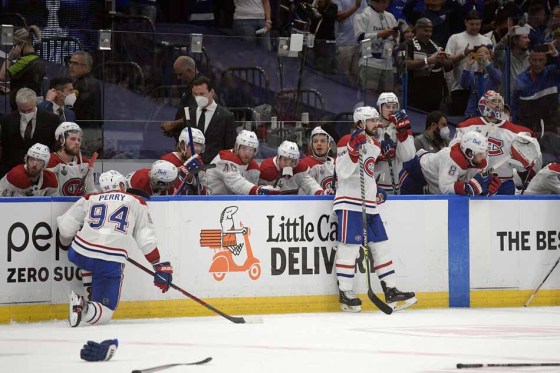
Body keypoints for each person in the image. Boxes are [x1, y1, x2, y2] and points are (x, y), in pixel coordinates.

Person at [57, 170, 173, 327]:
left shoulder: (90, 198)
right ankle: (83, 306)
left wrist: (80, 237)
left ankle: (91, 291)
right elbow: (145, 237)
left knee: (91, 259)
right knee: (105, 312)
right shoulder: (136, 201)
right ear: (120, 185)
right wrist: (157, 264)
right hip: (109, 260)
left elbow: (65, 228)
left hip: (79, 253)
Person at [333, 106, 416, 313]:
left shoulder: (375, 144)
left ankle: (391, 290)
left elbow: (366, 173)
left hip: (369, 204)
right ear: (361, 123)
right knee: (349, 248)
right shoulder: (346, 140)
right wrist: (352, 150)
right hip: (349, 202)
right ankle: (345, 293)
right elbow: (342, 173)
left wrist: (376, 190)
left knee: (381, 246)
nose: (377, 124)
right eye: (372, 121)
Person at [452, 90, 538, 195]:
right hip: (474, 182)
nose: (497, 105)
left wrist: (524, 162)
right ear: (484, 103)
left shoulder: (516, 132)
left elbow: (527, 166)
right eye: (493, 102)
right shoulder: (466, 127)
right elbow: (454, 155)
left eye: (499, 102)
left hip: (504, 183)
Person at [400, 131, 502, 195]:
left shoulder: (478, 159)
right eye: (480, 153)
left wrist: (486, 189)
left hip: (433, 184)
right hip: (415, 175)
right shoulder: (452, 158)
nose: (483, 156)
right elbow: (446, 188)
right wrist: (466, 188)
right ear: (469, 152)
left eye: (484, 152)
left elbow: (473, 184)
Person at [0, 88, 59, 178]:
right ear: (17, 105)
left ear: (36, 102)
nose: (26, 113)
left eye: (29, 110)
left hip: (41, 169)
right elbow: (5, 147)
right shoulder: (7, 120)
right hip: (13, 170)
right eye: (22, 111)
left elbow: (54, 145)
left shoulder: (51, 119)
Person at [445, 10, 493, 116]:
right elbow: (447, 60)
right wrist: (463, 54)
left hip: (481, 87)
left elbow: (492, 62)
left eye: (478, 24)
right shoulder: (455, 38)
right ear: (465, 22)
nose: (475, 27)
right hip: (460, 88)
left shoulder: (487, 40)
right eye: (472, 24)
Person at [182, 76, 236, 164]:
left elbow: (230, 148)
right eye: (195, 94)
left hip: (216, 168)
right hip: (191, 166)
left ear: (212, 92)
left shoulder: (226, 116)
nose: (198, 98)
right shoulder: (189, 114)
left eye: (202, 94)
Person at [206, 130, 278, 195]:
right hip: (211, 202)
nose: (247, 153)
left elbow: (250, 193)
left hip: (232, 203)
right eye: (244, 148)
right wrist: (258, 190)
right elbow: (237, 184)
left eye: (251, 150)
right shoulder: (224, 159)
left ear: (255, 152)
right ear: (237, 147)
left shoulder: (253, 167)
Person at [404, 18, 453, 112]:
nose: (429, 34)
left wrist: (442, 61)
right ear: (417, 29)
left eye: (430, 31)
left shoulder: (436, 45)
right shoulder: (408, 44)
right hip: (416, 93)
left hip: (436, 94)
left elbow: (450, 65)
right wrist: (427, 60)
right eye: (425, 31)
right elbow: (405, 64)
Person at [512, 43, 560, 134]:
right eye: (534, 60)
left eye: (541, 60)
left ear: (545, 60)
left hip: (551, 128)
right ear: (529, 60)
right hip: (528, 128)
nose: (537, 63)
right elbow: (515, 106)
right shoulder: (521, 79)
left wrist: (555, 55)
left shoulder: (552, 73)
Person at [353, 0, 399, 95]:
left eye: (387, 3)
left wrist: (395, 36)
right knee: (369, 95)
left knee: (387, 97)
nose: (385, 5)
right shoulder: (363, 15)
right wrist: (380, 34)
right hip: (370, 62)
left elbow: (397, 38)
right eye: (383, 2)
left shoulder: (390, 17)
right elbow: (360, 37)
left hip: (387, 62)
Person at [374, 92, 416, 195]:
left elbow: (408, 157)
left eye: (394, 106)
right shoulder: (371, 126)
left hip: (393, 186)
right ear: (380, 108)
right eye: (387, 106)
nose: (391, 109)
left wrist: (403, 133)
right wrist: (378, 154)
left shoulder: (402, 128)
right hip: (372, 185)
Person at [0, 25, 45, 110]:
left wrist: (9, 58)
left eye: (15, 45)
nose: (13, 49)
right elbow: (28, 85)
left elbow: (2, 76)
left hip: (22, 109)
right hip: (33, 105)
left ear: (22, 44)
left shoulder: (23, 62)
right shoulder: (37, 60)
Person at [259, 140, 328, 195]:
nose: (288, 165)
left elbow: (311, 185)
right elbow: (259, 192)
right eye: (285, 160)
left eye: (292, 161)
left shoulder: (300, 169)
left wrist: (321, 193)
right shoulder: (267, 169)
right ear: (278, 158)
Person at [47, 122, 97, 196]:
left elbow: (91, 192)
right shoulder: (49, 162)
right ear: (61, 140)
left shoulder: (85, 163)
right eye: (73, 139)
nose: (77, 143)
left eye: (79, 139)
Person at [68, 51, 103, 156]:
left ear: (86, 67)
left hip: (86, 132)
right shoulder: (91, 82)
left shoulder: (84, 85)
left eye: (75, 63)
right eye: (70, 62)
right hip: (92, 131)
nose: (70, 66)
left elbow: (72, 106)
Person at [160, 56, 201, 140]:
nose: (179, 78)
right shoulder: (191, 85)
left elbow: (195, 115)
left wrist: (173, 125)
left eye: (180, 74)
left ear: (189, 70)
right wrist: (175, 128)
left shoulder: (200, 86)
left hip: (193, 140)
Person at [160, 127, 206, 195]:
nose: (197, 149)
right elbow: (167, 191)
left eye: (200, 146)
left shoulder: (198, 164)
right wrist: (183, 173)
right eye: (193, 145)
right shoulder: (167, 161)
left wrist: (195, 182)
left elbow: (204, 195)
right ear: (182, 145)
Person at [460, 45, 502, 118]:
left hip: (490, 114)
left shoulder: (494, 73)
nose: (482, 55)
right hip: (472, 113)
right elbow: (464, 85)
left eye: (486, 53)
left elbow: (498, 78)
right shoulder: (472, 73)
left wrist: (486, 62)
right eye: (479, 52)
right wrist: (467, 67)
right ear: (475, 56)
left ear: (490, 57)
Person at [332, 0, 368, 85]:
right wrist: (356, 6)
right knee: (342, 77)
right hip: (344, 42)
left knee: (357, 78)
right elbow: (339, 17)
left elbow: (367, 16)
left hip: (360, 43)